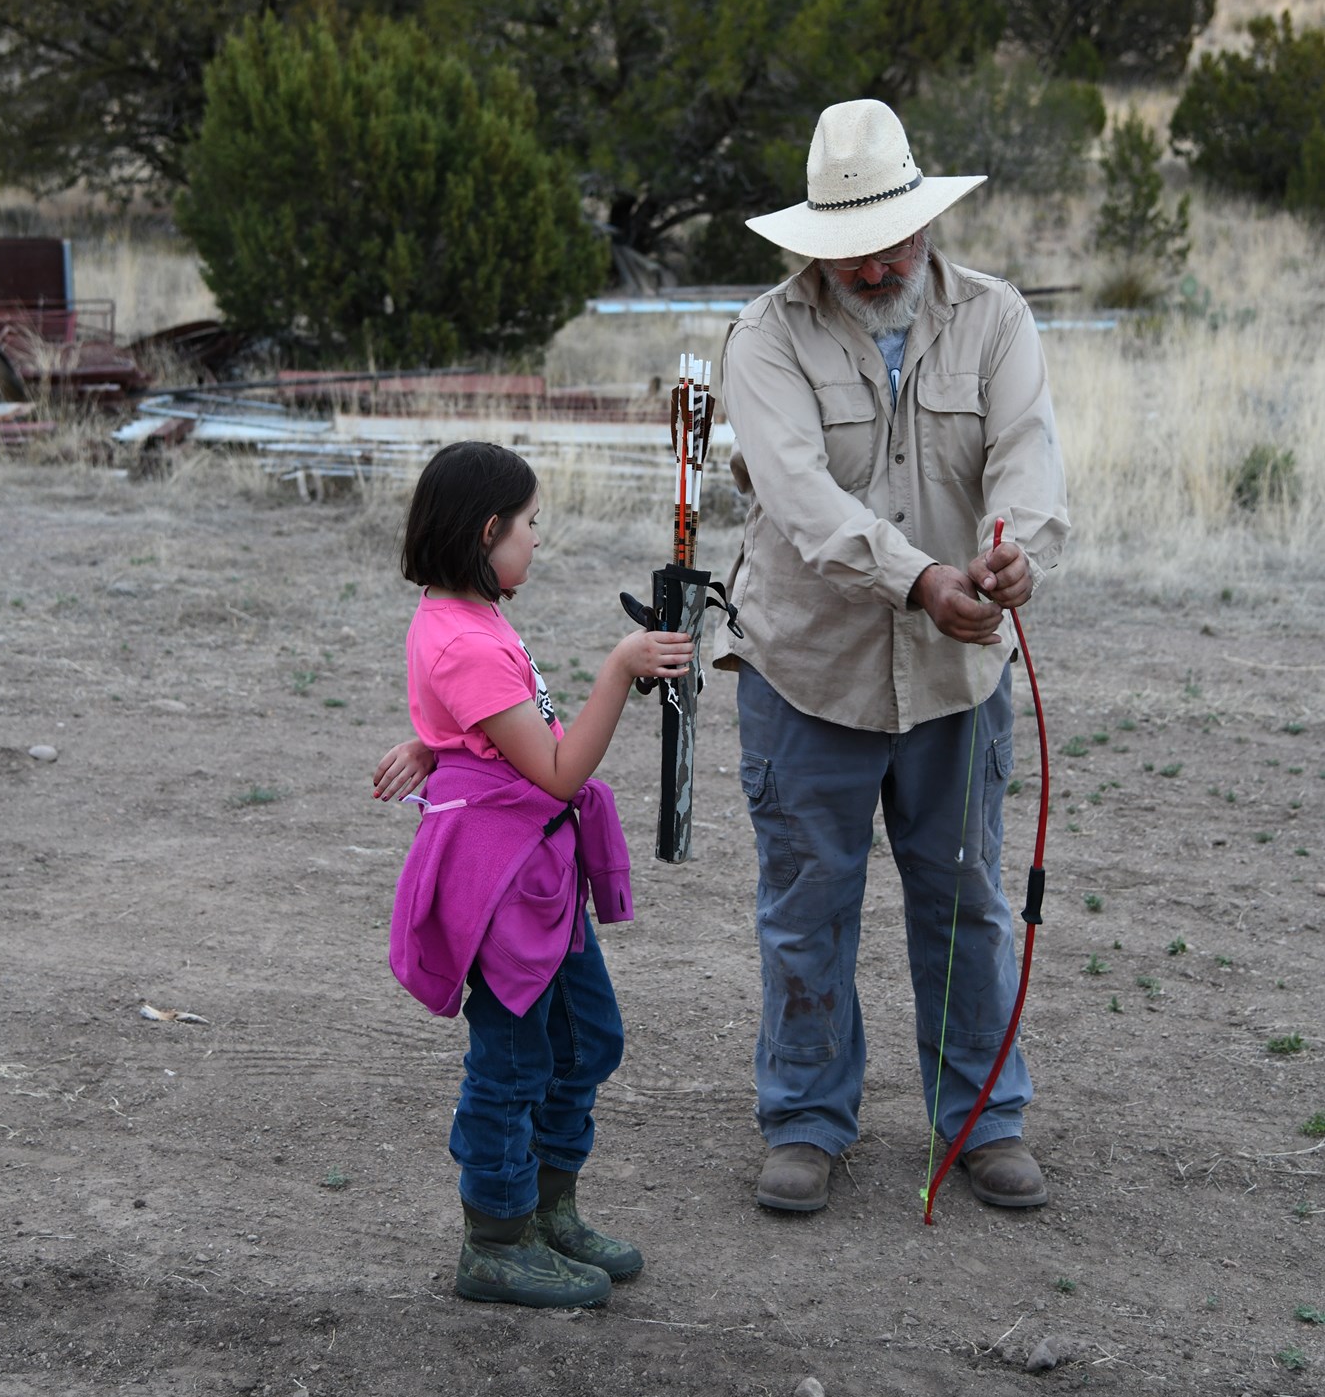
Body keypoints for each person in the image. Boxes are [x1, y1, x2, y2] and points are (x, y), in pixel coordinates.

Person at [712, 98, 1070, 1216]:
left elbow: (1028, 458)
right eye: (848, 248)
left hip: (960, 677)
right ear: (815, 245)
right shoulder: (764, 337)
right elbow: (802, 500)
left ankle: (981, 1116)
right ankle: (808, 1119)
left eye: (891, 239)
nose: (874, 265)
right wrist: (922, 577)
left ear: (923, 220)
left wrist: (1011, 558)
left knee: (965, 896)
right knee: (807, 903)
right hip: (804, 668)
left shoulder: (998, 318)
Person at [380, 441, 693, 1307]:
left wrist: (435, 744)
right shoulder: (462, 641)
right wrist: (616, 671)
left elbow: (485, 732)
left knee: (586, 1041)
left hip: (542, 874)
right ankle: (497, 1236)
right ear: (488, 532)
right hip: (504, 882)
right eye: (530, 526)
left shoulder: (472, 619)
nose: (537, 542)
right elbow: (556, 772)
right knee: (513, 1058)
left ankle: (553, 1210)